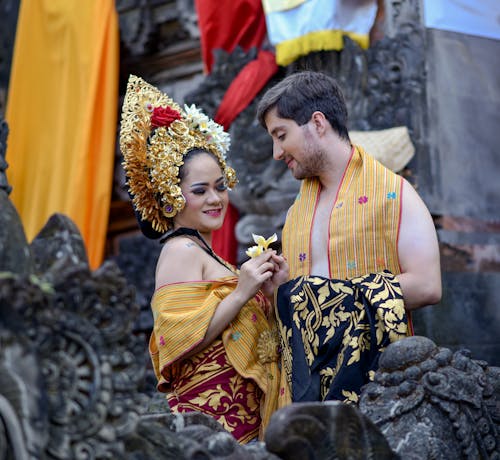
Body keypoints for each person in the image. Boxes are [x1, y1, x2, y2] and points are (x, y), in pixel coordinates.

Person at [120, 75, 288, 443]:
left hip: (244, 419)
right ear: (170, 200)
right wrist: (243, 292)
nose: (216, 199)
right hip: (214, 426)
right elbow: (176, 339)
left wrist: (273, 292)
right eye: (200, 191)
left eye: (220, 187)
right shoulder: (180, 251)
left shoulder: (210, 254)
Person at [256, 71, 442, 404]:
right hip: (305, 386)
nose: (276, 152)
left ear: (317, 122)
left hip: (377, 383)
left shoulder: (393, 193)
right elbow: (303, 298)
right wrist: (284, 289)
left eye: (281, 135)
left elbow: (428, 285)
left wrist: (329, 298)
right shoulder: (297, 210)